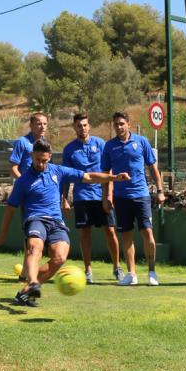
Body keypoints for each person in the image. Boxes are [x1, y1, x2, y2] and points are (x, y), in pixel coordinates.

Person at [0, 140, 130, 306]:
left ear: (50, 157)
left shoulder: (59, 171)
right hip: (35, 219)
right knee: (35, 248)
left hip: (56, 222)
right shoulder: (23, 181)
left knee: (60, 257)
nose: (40, 164)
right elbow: (10, 208)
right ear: (31, 156)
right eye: (37, 160)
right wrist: (2, 234)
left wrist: (114, 177)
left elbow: (88, 176)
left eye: (44, 160)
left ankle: (25, 292)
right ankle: (34, 282)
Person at [101, 111, 165, 286]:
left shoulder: (141, 141)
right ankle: (132, 274)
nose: (119, 127)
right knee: (126, 235)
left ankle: (152, 272)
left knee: (147, 233)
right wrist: (106, 197)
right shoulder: (109, 147)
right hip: (120, 198)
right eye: (116, 124)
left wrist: (160, 190)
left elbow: (153, 168)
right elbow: (105, 174)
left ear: (129, 124)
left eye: (122, 123)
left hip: (141, 195)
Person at [62, 113, 123, 284]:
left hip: (101, 195)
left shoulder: (101, 144)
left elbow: (108, 172)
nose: (82, 128)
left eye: (85, 125)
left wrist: (108, 195)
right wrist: (64, 198)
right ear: (74, 127)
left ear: (89, 126)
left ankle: (117, 267)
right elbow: (66, 176)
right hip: (82, 196)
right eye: (79, 125)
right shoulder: (69, 149)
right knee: (85, 233)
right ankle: (88, 270)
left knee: (110, 231)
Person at [8, 112, 49, 281]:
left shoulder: (45, 144)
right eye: (39, 123)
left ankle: (26, 272)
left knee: (37, 235)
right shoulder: (22, 143)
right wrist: (24, 183)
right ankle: (27, 273)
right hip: (27, 195)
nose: (42, 127)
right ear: (31, 125)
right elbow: (13, 167)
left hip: (42, 195)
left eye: (45, 124)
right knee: (30, 234)